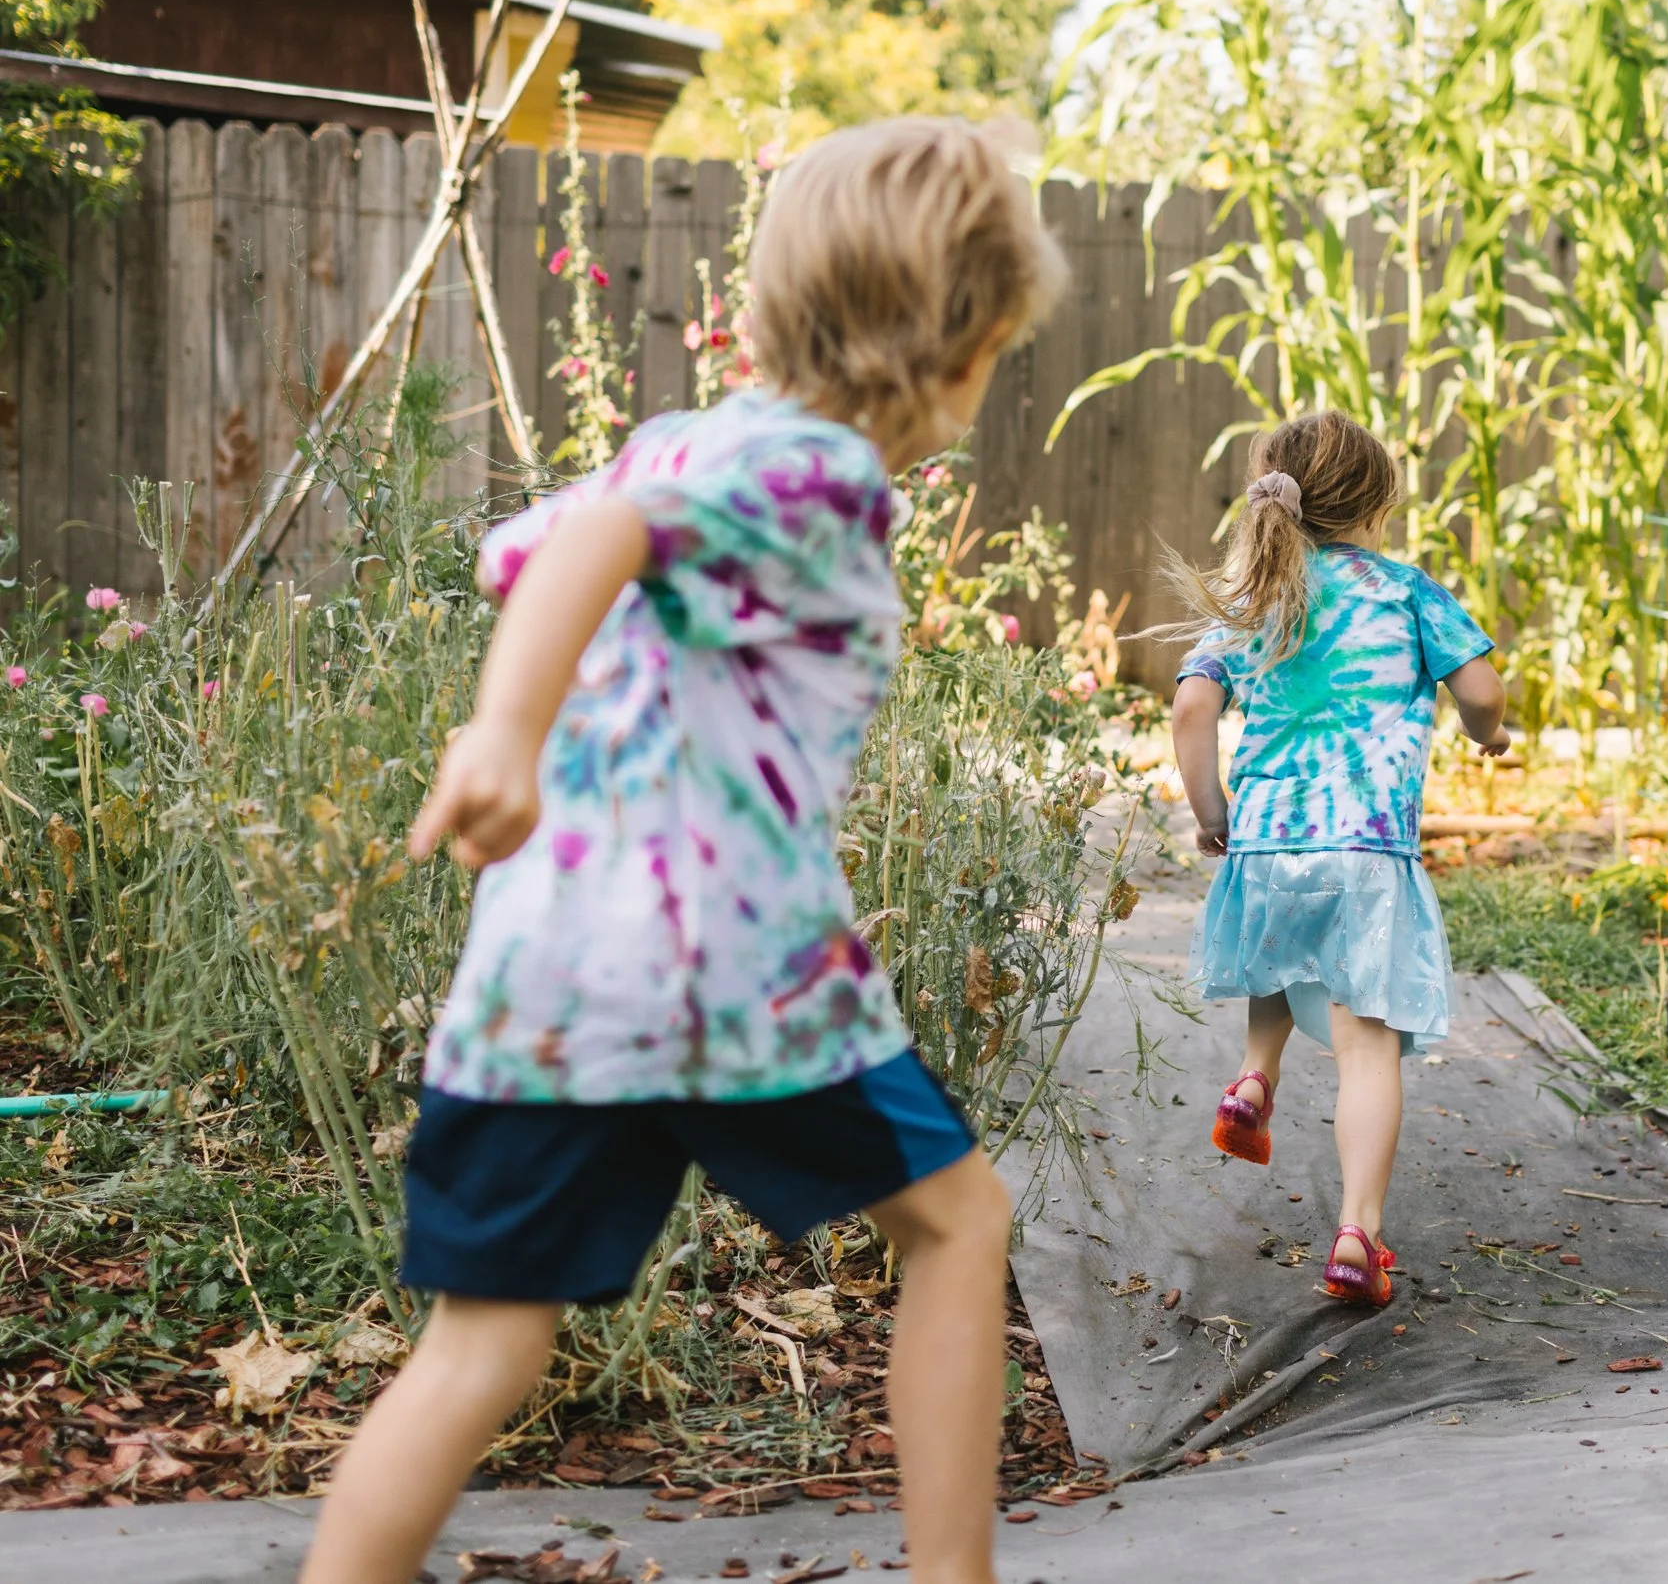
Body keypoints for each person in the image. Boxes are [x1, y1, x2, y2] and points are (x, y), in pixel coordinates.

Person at [297, 117, 1064, 1584]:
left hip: (551, 984)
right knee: (959, 1222)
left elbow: (514, 551)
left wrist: (543, 686)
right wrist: (505, 731)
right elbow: (604, 546)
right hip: (734, 973)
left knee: (480, 1347)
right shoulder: (822, 474)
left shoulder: (686, 443)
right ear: (970, 348)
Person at [1167, 411, 1509, 1310]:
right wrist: (1491, 731)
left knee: (1281, 956)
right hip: (1366, 846)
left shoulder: (1256, 598)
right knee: (1369, 1051)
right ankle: (1358, 1229)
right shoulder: (1404, 591)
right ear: (1376, 501)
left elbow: (1192, 710)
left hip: (1271, 839)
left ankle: (1254, 1076)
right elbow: (1481, 687)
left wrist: (1214, 815)